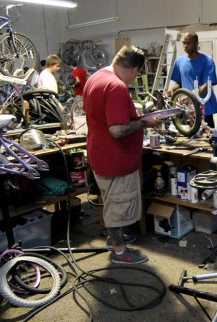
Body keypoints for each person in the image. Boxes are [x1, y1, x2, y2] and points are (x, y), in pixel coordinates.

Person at [83, 45, 161, 264]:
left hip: (100, 155)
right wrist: (144, 123)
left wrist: (138, 119)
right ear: (134, 70)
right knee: (118, 205)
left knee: (112, 201)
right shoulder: (116, 86)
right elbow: (117, 130)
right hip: (115, 159)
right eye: (136, 76)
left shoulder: (97, 76)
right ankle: (120, 251)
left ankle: (113, 238)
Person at [168, 31, 217, 128]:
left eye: (188, 43)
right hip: (187, 108)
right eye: (184, 43)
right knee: (188, 135)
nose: (185, 46)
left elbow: (207, 85)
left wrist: (191, 97)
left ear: (196, 43)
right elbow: (179, 83)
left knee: (207, 136)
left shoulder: (207, 61)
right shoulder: (179, 61)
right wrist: (172, 90)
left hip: (204, 106)